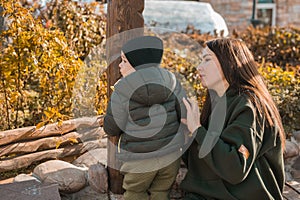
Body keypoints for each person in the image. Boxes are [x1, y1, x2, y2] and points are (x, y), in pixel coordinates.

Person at [180, 38, 285, 200]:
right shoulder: (218, 102)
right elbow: (206, 161)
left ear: (229, 62)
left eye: (207, 59)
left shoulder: (249, 105)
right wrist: (188, 133)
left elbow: (235, 168)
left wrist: (198, 131)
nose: (199, 67)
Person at [103, 35, 187, 200]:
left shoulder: (122, 89)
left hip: (139, 160)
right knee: (161, 193)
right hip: (170, 157)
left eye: (124, 61)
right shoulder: (172, 81)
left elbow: (112, 127)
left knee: (135, 193)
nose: (120, 65)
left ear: (137, 64)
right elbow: (182, 113)